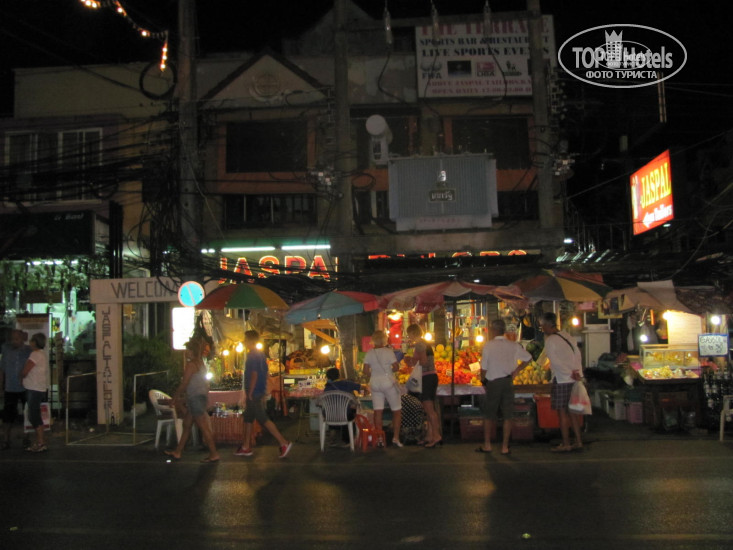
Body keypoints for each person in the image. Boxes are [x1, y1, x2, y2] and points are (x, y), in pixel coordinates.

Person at [235, 330, 292, 459]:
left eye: (245, 339)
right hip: (258, 390)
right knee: (248, 418)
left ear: (250, 340)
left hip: (254, 392)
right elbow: (265, 374)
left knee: (262, 418)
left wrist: (250, 392)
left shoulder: (252, 356)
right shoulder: (261, 355)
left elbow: (254, 374)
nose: (244, 342)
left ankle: (283, 442)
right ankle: (246, 446)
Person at [477, 319, 531, 455]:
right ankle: (505, 447)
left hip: (493, 382)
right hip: (508, 382)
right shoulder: (513, 345)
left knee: (489, 415)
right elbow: (528, 358)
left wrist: (483, 381)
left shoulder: (489, 346)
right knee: (508, 415)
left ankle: (487, 445)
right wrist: (517, 371)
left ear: (493, 330)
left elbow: (483, 368)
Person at [165, 338, 220, 463]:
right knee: (187, 425)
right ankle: (178, 451)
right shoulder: (200, 363)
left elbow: (184, 383)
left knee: (203, 427)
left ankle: (214, 453)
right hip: (197, 398)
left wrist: (175, 398)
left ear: (192, 351)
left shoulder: (191, 365)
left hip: (195, 399)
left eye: (188, 350)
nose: (186, 352)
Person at [537, 312, 584, 452]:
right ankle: (578, 441)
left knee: (562, 412)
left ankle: (566, 443)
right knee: (573, 412)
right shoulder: (568, 336)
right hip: (574, 378)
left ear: (547, 324)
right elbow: (577, 356)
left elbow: (555, 362)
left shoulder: (550, 340)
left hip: (562, 379)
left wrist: (567, 373)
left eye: (542, 325)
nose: (542, 329)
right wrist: (577, 373)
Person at [362, 330, 403, 447]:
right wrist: (389, 371)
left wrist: (375, 374)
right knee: (396, 410)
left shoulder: (369, 353)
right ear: (384, 340)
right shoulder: (389, 352)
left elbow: (365, 371)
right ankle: (395, 438)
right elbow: (396, 367)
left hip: (375, 384)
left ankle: (379, 438)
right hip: (388, 383)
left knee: (378, 411)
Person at [404, 324, 441, 448]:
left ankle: (436, 435)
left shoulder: (420, 344)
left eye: (409, 334)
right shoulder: (425, 344)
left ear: (413, 333)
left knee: (429, 409)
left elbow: (423, 362)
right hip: (430, 377)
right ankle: (430, 435)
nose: (408, 337)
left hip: (427, 377)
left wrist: (411, 360)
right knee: (428, 409)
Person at [0, 329, 32, 450]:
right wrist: (1, 386)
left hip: (26, 387)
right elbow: (2, 369)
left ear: (22, 339)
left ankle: (26, 437)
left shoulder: (28, 350)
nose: (14, 341)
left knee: (27, 413)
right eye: (13, 339)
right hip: (10, 387)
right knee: (7, 414)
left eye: (17, 339)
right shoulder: (6, 349)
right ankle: (6, 439)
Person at [21, 333, 49, 452]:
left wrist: (21, 377)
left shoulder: (35, 354)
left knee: (33, 415)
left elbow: (25, 370)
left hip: (34, 388)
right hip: (38, 388)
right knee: (35, 414)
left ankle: (40, 442)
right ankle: (40, 441)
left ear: (34, 342)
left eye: (31, 340)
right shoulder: (42, 354)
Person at [323, 367, 362, 446]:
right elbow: (360, 387)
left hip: (330, 416)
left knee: (334, 411)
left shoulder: (327, 388)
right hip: (345, 415)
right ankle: (347, 440)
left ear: (327, 377)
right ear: (339, 375)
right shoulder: (346, 383)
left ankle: (333, 435)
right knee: (349, 412)